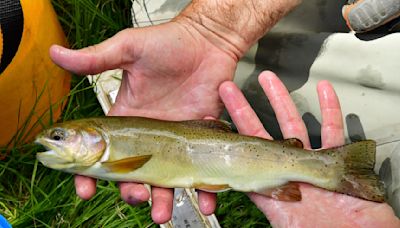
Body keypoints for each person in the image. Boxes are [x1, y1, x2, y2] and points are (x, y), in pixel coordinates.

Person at [49, 0, 400, 225]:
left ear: (93, 136)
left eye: (59, 137)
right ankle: (327, 167)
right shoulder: (107, 155)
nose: (53, 143)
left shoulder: (111, 161)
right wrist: (212, 29)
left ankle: (329, 168)